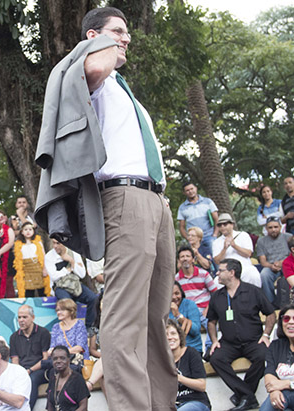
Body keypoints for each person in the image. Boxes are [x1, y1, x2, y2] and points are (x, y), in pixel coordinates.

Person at [35, 7, 176, 409]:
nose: (126, 39)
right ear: (95, 35)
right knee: (123, 315)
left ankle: (161, 404)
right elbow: (92, 62)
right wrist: (101, 44)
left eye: (127, 32)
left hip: (157, 202)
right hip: (124, 198)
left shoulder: (123, 89)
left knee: (153, 317)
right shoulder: (91, 74)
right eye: (118, 32)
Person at [207, 259, 276, 411]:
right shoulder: (217, 296)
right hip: (229, 343)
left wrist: (266, 335)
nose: (217, 273)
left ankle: (242, 396)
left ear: (232, 273)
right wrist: (214, 341)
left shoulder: (253, 291)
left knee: (263, 356)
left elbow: (271, 314)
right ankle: (248, 396)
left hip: (253, 341)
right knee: (216, 358)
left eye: (221, 270)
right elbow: (211, 322)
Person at [44, 240, 97, 327]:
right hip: (60, 286)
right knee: (67, 303)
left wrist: (71, 261)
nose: (55, 246)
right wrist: (68, 270)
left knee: (93, 298)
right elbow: (54, 276)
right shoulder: (49, 256)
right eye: (53, 243)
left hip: (75, 285)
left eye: (58, 243)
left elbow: (82, 274)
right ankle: (71, 328)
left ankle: (89, 327)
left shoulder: (74, 253)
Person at [175, 245, 217, 353]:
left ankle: (209, 348)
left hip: (204, 309)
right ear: (179, 260)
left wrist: (208, 308)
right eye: (182, 256)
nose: (185, 258)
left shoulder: (203, 274)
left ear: (193, 259)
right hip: (187, 310)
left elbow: (216, 293)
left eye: (188, 256)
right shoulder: (176, 279)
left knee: (211, 322)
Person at [9, 305, 51, 410]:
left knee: (32, 379)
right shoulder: (14, 337)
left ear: (33, 317)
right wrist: (20, 372)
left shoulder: (43, 333)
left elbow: (45, 358)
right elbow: (15, 360)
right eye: (19, 317)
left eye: (24, 317)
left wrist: (29, 370)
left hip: (39, 369)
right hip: (22, 369)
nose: (21, 320)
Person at [166, 319, 211, 411]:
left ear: (179, 336)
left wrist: (178, 377)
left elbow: (202, 386)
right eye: (165, 335)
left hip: (195, 402)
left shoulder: (191, 353)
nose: (170, 337)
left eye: (173, 333)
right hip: (171, 405)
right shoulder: (160, 360)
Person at [212, 213, 261, 287]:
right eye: (220, 225)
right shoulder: (216, 242)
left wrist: (234, 246)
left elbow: (248, 253)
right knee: (216, 283)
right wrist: (224, 249)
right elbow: (217, 261)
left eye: (225, 224)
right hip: (226, 270)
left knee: (254, 275)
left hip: (245, 267)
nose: (222, 227)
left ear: (232, 225)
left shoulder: (243, 235)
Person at [256, 216, 292, 306]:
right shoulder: (261, 241)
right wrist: (271, 266)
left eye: (276, 227)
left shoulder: (288, 237)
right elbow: (263, 261)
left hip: (287, 263)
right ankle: (270, 303)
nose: (273, 230)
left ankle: (292, 300)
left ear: (280, 227)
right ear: (266, 229)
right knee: (264, 275)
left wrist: (282, 262)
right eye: (270, 227)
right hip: (271, 266)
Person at [45, 346, 90, 411]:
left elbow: (83, 407)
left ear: (69, 359)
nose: (58, 361)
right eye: (55, 359)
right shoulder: (53, 377)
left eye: (62, 358)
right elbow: (50, 404)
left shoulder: (77, 378)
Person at [177, 182, 219, 249]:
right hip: (194, 239)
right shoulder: (182, 207)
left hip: (209, 237)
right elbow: (181, 227)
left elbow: (216, 219)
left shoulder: (208, 201)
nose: (190, 191)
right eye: (187, 190)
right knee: (195, 258)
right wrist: (188, 238)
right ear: (184, 193)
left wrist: (215, 234)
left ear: (196, 188)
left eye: (192, 189)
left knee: (213, 257)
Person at [13, 223, 50, 298]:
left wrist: (44, 269)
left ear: (33, 231)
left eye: (30, 229)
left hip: (38, 267)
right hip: (26, 269)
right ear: (22, 232)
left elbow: (43, 255)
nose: (28, 231)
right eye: (25, 230)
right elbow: (18, 260)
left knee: (42, 290)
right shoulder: (19, 244)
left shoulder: (38, 242)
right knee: (28, 291)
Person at [49, 299, 89, 364]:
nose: (59, 312)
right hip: (59, 361)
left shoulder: (79, 324)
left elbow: (80, 348)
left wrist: (61, 354)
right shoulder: (56, 327)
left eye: (62, 310)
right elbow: (52, 347)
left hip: (76, 360)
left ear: (71, 311)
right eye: (57, 310)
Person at [169, 282, 202, 354]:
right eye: (170, 294)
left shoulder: (190, 304)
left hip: (191, 349)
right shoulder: (163, 308)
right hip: (171, 351)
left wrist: (178, 315)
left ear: (181, 293)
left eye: (177, 293)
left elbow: (195, 330)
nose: (174, 297)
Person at [0, 210, 15, 298]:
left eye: (1, 217)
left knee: (8, 282)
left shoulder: (9, 229)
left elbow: (10, 243)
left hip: (7, 259)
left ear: (5, 219)